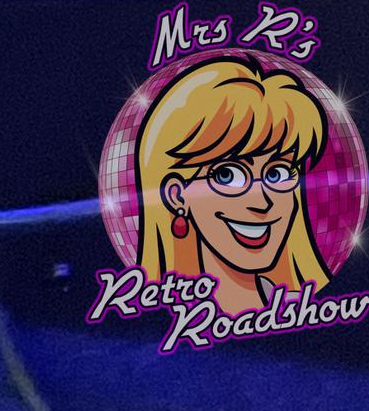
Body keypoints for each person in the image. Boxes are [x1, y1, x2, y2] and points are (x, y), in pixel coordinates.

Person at [133, 54, 337, 311]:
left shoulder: (301, 309)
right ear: (176, 195)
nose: (263, 202)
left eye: (278, 174)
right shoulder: (143, 328)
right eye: (228, 175)